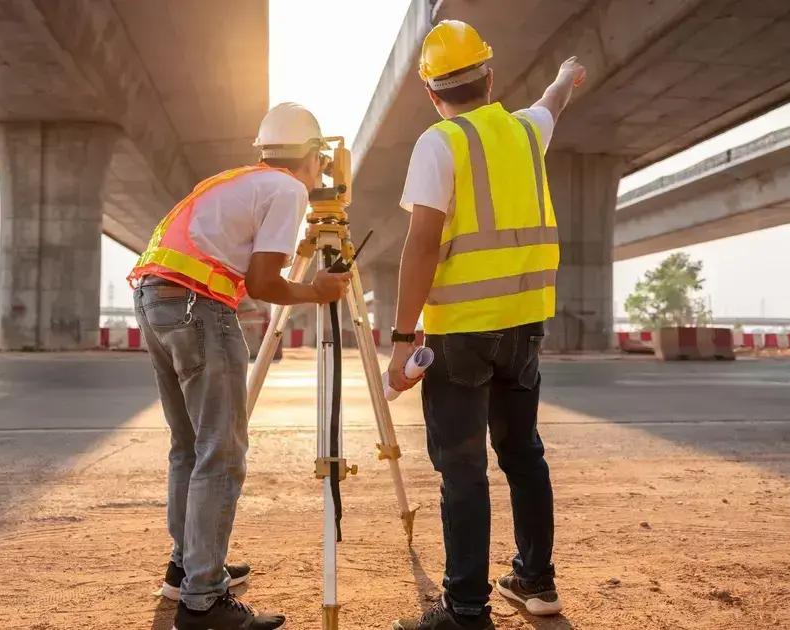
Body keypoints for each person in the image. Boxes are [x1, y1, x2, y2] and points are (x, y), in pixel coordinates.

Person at [384, 20, 586, 630]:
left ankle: (467, 608)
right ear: (490, 76)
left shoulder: (439, 142)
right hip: (523, 328)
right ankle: (535, 581)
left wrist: (399, 339)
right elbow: (551, 103)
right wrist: (564, 75)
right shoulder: (525, 132)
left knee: (463, 466)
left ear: (429, 89)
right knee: (523, 453)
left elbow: (421, 244)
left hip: (461, 333)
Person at [127, 102, 350, 630]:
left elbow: (241, 256)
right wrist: (317, 291)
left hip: (156, 300)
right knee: (220, 454)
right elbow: (264, 284)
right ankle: (203, 601)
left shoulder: (237, 180)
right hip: (198, 309)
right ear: (313, 155)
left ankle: (187, 568)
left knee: (189, 447)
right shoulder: (289, 190)